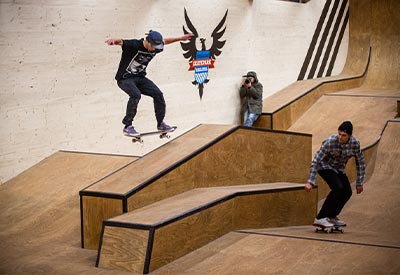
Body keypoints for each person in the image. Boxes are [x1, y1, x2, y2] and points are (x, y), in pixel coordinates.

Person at [105, 30, 192, 137]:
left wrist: (180, 38)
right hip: (125, 79)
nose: (155, 49)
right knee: (136, 95)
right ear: (148, 42)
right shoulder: (134, 45)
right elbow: (121, 42)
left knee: (158, 94)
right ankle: (127, 126)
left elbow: (165, 41)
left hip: (140, 78)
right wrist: (114, 41)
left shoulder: (157, 47)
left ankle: (161, 124)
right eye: (154, 46)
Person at [305, 121, 366, 228]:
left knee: (347, 192)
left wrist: (359, 182)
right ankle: (320, 218)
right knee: (338, 188)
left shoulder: (355, 144)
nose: (340, 137)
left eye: (344, 135)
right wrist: (310, 181)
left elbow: (360, 163)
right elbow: (316, 160)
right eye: (339, 134)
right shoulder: (330, 142)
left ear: (350, 136)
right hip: (324, 166)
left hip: (338, 169)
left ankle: (331, 216)